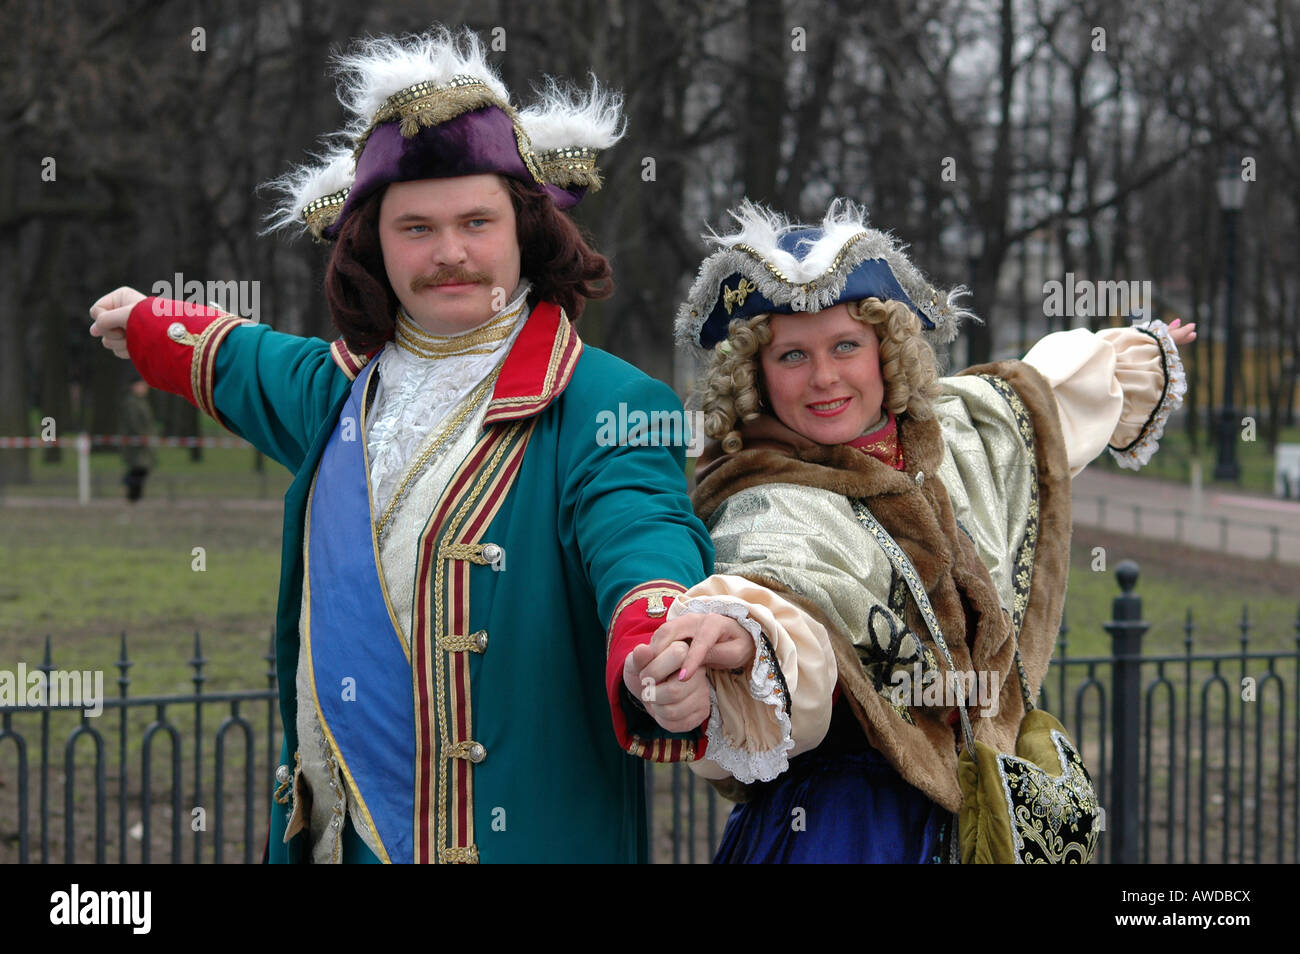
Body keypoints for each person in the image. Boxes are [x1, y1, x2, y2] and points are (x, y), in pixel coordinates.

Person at [87, 28, 748, 864]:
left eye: (477, 221)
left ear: (524, 231)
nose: (450, 254)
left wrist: (659, 632)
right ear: (374, 243)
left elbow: (640, 530)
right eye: (416, 228)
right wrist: (149, 322)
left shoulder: (613, 403)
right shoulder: (338, 392)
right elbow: (243, 361)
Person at [635, 199, 1195, 862]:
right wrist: (742, 637)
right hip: (848, 828)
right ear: (754, 374)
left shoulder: (951, 431)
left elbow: (1036, 395)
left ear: (885, 350)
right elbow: (777, 589)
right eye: (792, 355)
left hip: (990, 818)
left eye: (846, 345)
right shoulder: (765, 496)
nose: (824, 377)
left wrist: (1126, 357)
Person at [120, 378, 157, 503]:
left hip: (142, 442)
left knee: (142, 468)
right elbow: (134, 422)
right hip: (135, 443)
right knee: (138, 468)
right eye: (142, 385)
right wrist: (141, 435)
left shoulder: (141, 401)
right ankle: (132, 495)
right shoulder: (132, 403)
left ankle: (135, 495)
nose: (145, 388)